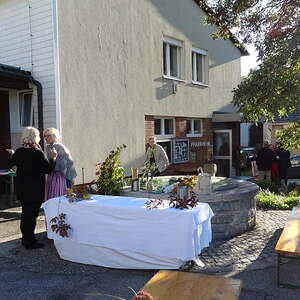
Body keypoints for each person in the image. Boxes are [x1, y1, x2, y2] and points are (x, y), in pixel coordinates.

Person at [6, 127, 57, 249]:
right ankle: (30, 242)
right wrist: (53, 158)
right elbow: (48, 170)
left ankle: (26, 239)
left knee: (25, 213)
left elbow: (10, 163)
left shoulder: (19, 151)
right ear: (35, 137)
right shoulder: (37, 152)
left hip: (22, 188)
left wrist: (12, 154)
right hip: (35, 189)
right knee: (31, 215)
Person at [43, 128, 77, 200]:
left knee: (58, 198)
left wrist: (71, 178)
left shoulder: (59, 146)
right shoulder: (48, 147)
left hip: (60, 176)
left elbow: (68, 163)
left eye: (48, 135)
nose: (46, 138)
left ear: (54, 135)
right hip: (52, 175)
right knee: (52, 198)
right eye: (44, 136)